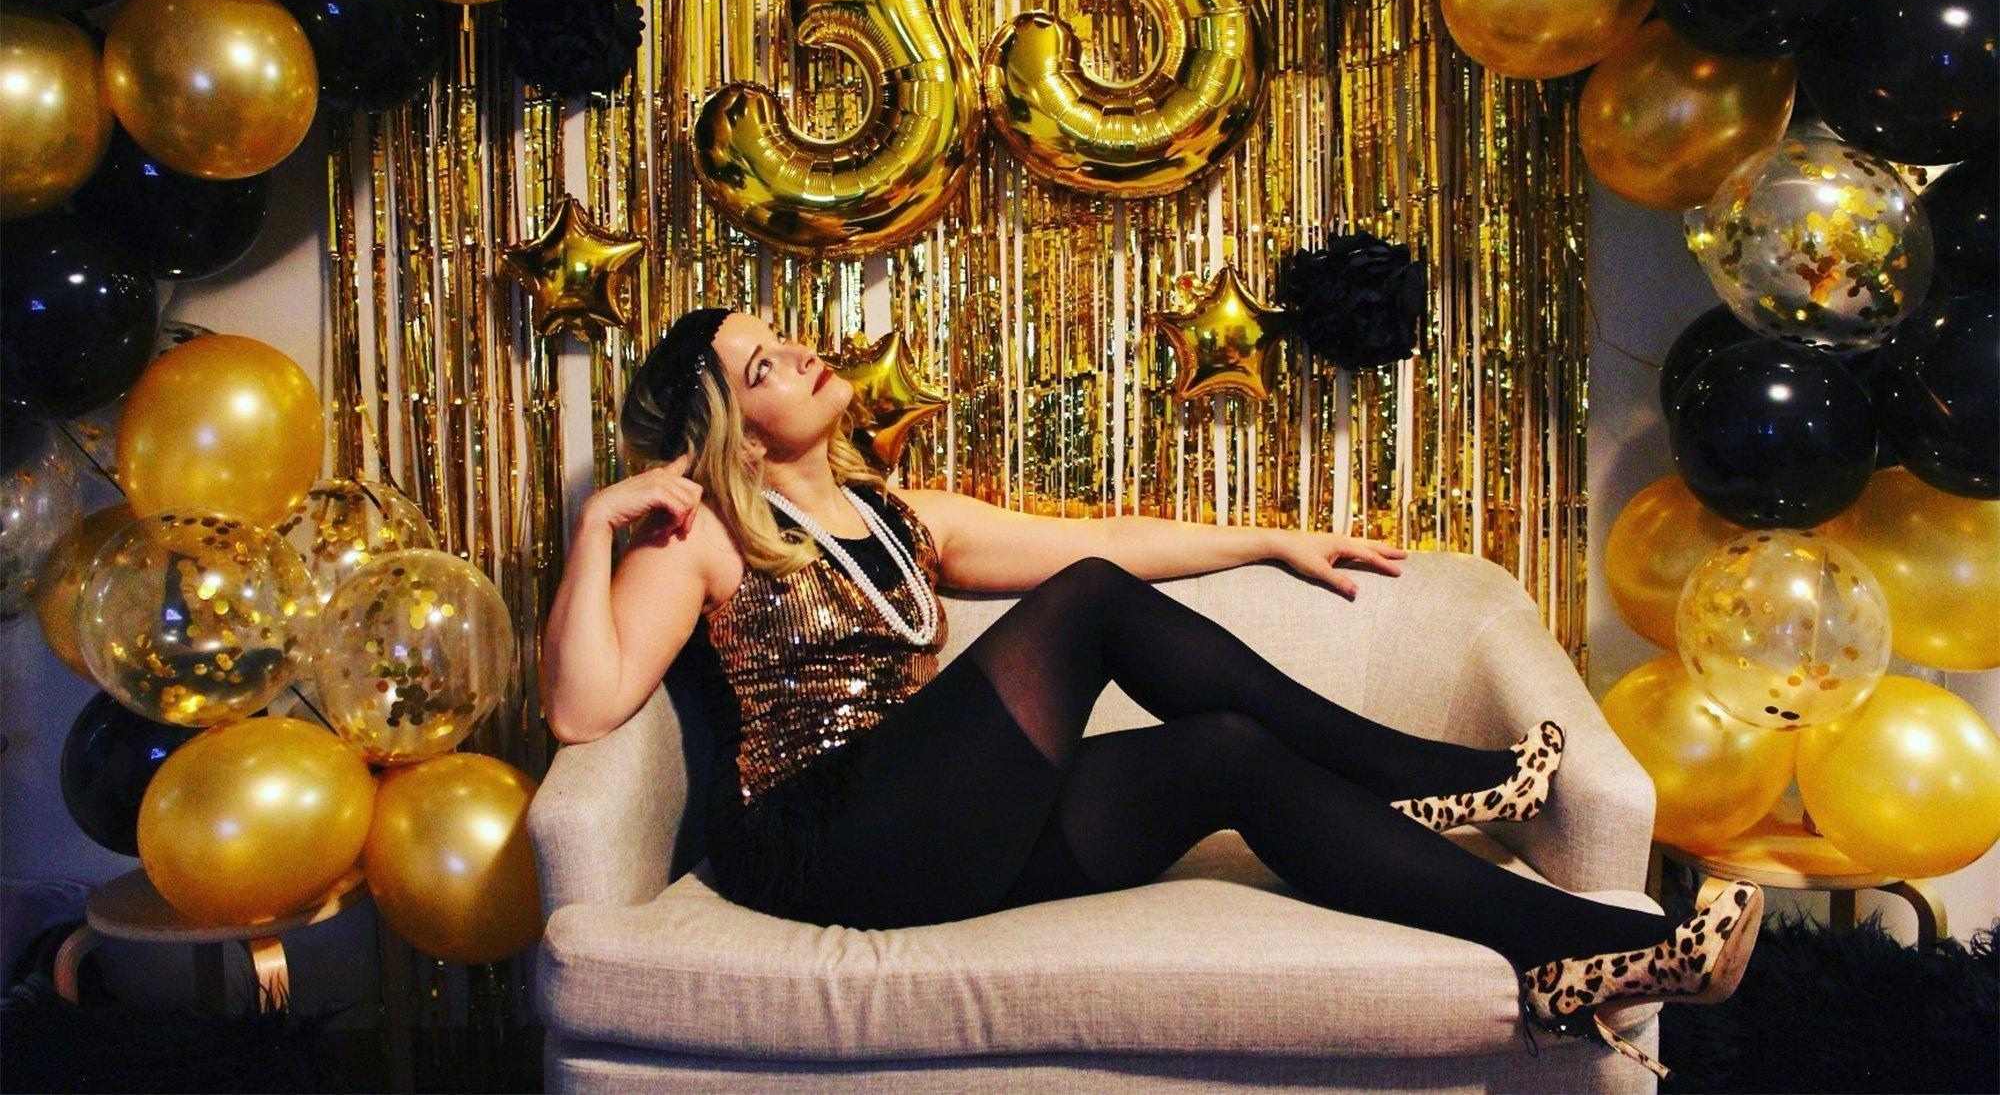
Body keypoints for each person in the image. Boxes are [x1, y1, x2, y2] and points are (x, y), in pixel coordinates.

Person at [541, 306, 1763, 1077]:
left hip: (931, 837)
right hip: (824, 844)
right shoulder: (698, 535)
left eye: (782, 335)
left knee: (1225, 752)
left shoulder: (897, 515)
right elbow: (581, 711)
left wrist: (1269, 539)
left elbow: (1106, 541)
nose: (803, 352)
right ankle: (1422, 778)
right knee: (1082, 604)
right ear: (734, 426)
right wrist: (600, 527)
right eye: (763, 363)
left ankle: (1579, 951)